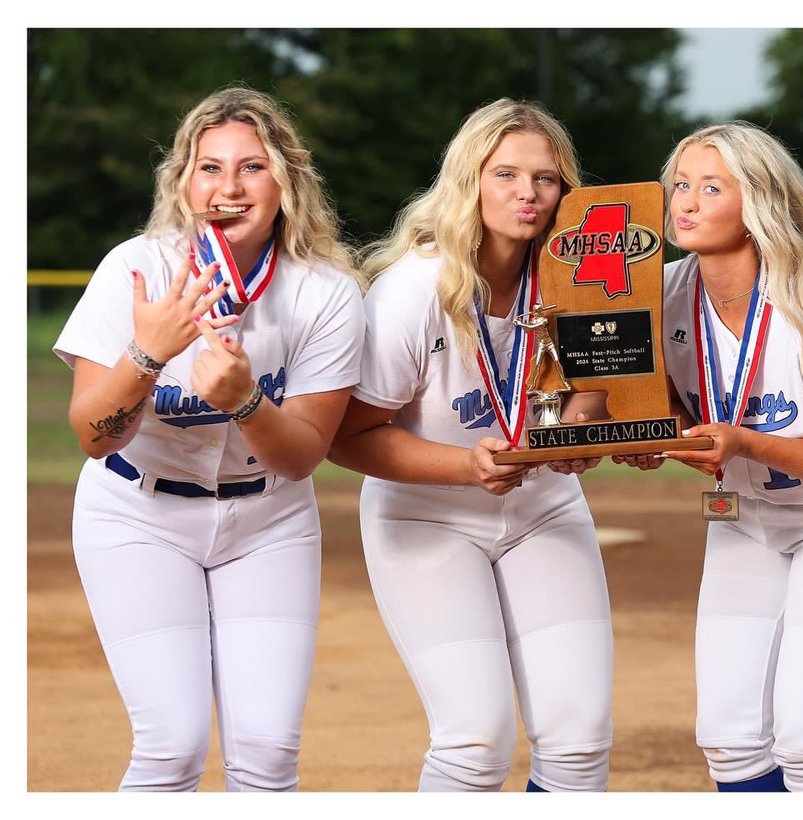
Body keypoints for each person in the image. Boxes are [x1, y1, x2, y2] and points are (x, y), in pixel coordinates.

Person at [53, 86, 365, 791]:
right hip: (139, 515)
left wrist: (246, 401)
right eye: (209, 167)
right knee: (171, 745)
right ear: (183, 182)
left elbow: (304, 455)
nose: (229, 187)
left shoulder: (325, 292)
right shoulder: (136, 268)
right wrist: (146, 354)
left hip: (269, 521)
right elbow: (93, 437)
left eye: (252, 167)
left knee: (267, 751)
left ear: (286, 181)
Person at [327, 98, 612, 792]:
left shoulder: (580, 277)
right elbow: (347, 437)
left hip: (543, 506)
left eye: (546, 179)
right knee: (476, 741)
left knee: (578, 740)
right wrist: (464, 465)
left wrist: (576, 427)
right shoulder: (411, 293)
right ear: (469, 181)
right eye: (506, 174)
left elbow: (601, 386)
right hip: (427, 515)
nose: (528, 194)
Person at [619, 122, 803, 792]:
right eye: (680, 186)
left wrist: (742, 440)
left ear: (759, 203)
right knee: (729, 738)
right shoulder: (656, 292)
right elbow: (670, 414)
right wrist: (653, 437)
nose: (685, 202)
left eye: (711, 187)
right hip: (747, 515)